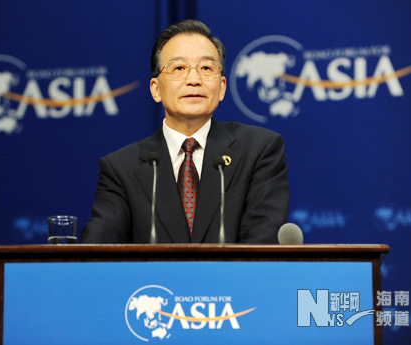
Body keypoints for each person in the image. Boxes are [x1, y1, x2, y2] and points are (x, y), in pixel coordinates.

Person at [81, 20, 289, 244]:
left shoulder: (259, 149)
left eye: (206, 68)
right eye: (179, 68)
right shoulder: (121, 168)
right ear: (156, 89)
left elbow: (262, 244)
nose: (193, 80)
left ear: (222, 87)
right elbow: (98, 249)